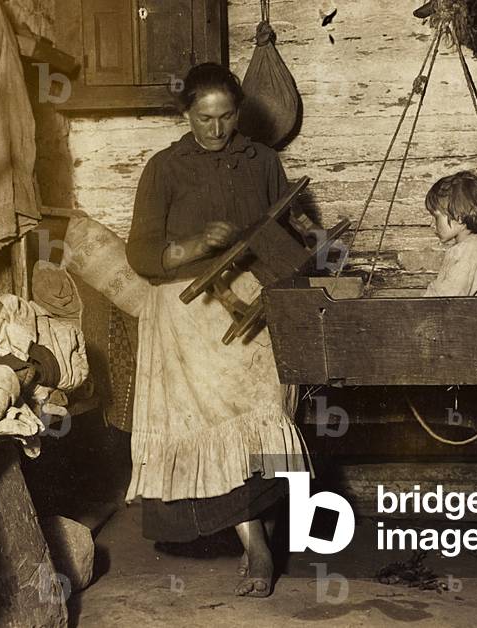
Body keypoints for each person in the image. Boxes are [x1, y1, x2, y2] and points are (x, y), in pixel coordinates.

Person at [124, 63, 309, 598]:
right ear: (186, 115)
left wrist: (287, 252)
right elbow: (141, 252)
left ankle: (266, 534)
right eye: (205, 119)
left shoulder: (263, 161)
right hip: (188, 318)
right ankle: (256, 547)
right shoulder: (164, 168)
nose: (217, 129)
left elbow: (285, 233)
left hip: (253, 306)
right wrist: (198, 244)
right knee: (212, 429)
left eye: (227, 117)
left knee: (270, 415)